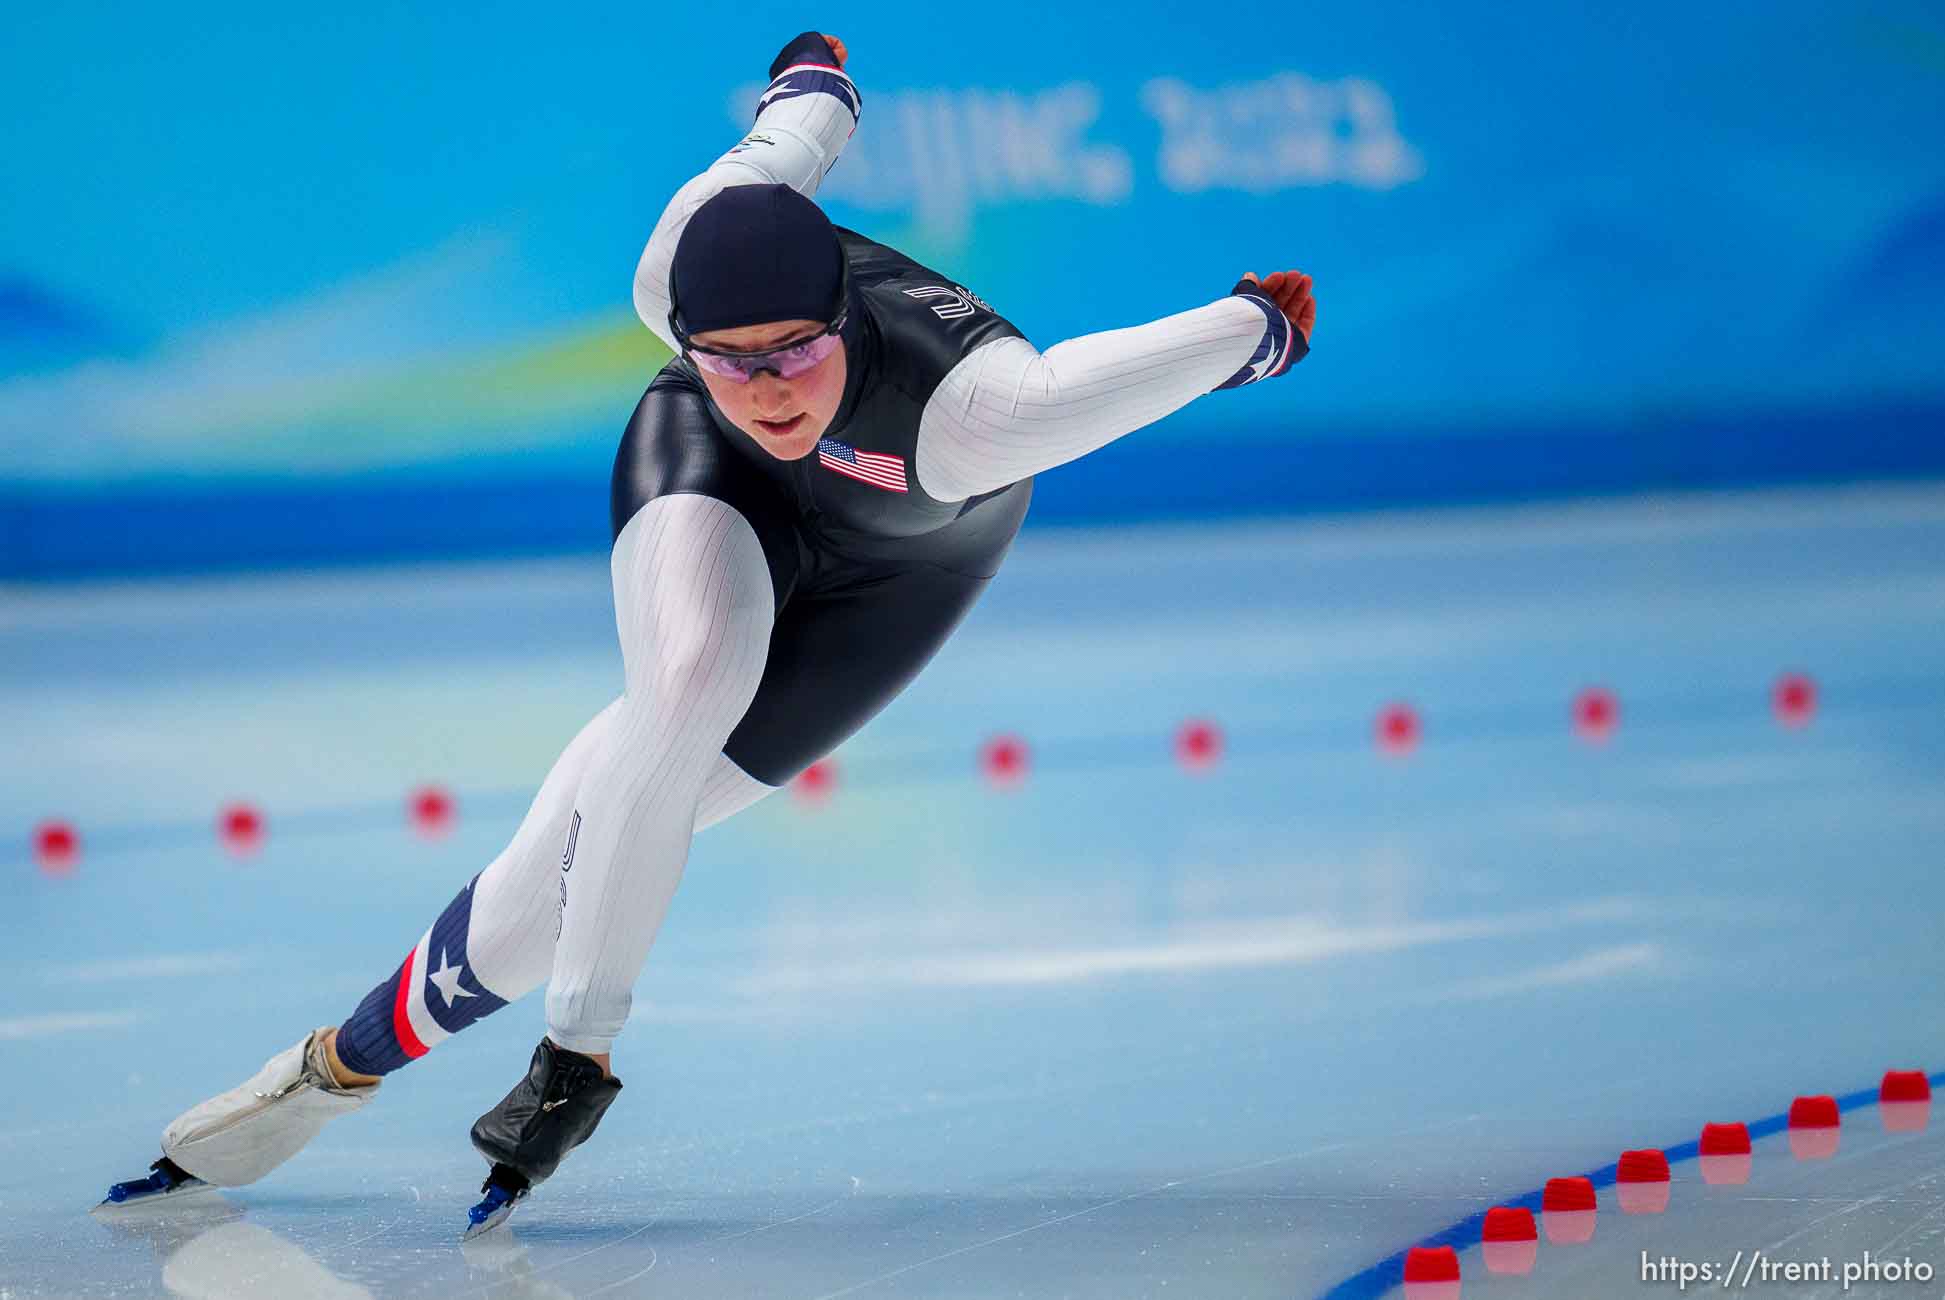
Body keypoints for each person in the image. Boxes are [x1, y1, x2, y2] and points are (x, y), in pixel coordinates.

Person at [98, 31, 1314, 1236]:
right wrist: (816, 83)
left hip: (904, 563)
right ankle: (558, 1066)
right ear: (682, 335)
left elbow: (1119, 373)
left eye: (797, 351)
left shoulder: (979, 410)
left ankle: (343, 1061)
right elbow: (788, 136)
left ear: (842, 314)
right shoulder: (680, 274)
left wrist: (1255, 330)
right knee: (686, 687)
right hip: (713, 485)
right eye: (730, 360)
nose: (772, 388)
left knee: (556, 872)